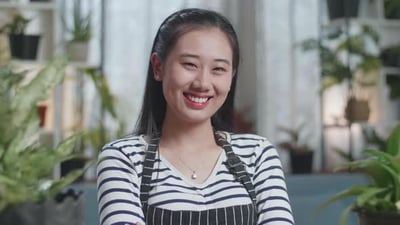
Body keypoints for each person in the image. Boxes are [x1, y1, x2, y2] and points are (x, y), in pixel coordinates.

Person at [96, 8, 294, 225]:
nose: (202, 83)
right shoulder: (124, 159)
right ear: (158, 67)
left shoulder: (257, 155)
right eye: (189, 64)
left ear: (231, 76)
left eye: (218, 69)